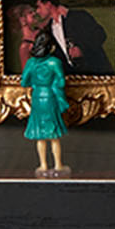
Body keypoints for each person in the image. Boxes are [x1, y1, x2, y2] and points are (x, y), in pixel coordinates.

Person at [22, 28, 69, 175]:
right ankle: (58, 165)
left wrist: (36, 84)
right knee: (53, 135)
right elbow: (61, 82)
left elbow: (24, 82)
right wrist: (53, 85)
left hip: (37, 98)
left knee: (40, 135)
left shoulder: (31, 63)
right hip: (50, 97)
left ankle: (43, 165)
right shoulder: (54, 62)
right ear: (51, 47)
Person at [32, 0, 112, 76]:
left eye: (39, 7)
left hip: (98, 72)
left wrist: (82, 50)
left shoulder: (78, 16)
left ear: (48, 4)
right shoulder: (49, 30)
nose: (37, 11)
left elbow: (100, 35)